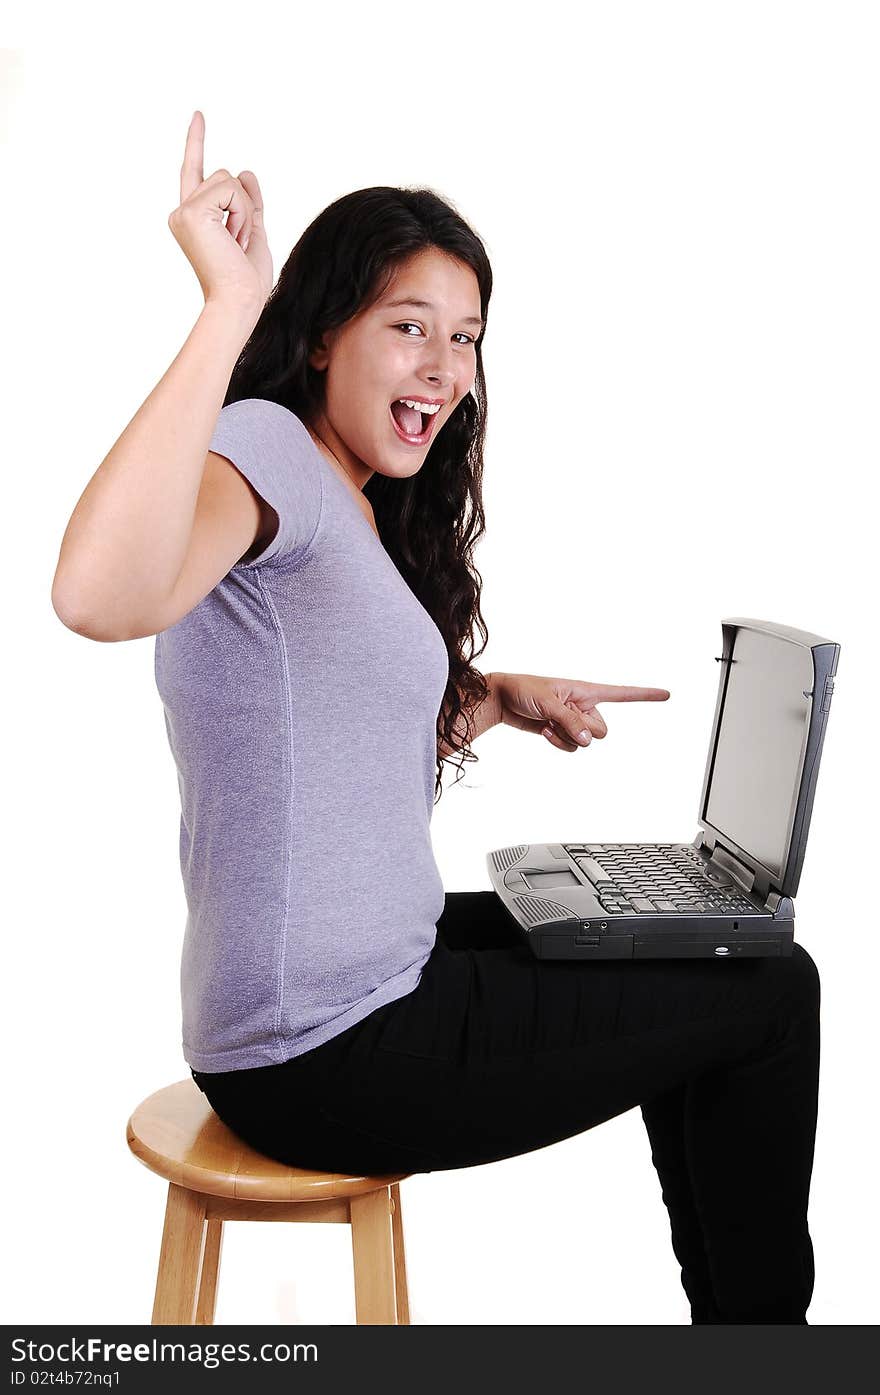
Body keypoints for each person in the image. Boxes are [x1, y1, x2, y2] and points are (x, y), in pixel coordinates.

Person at [51, 111, 820, 1325]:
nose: (443, 369)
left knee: (705, 951)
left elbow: (321, 730)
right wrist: (224, 307)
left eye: (463, 339)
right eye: (407, 328)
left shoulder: (341, 499)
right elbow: (98, 596)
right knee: (771, 995)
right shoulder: (259, 451)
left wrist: (488, 701)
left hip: (346, 992)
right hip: (325, 1049)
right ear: (317, 337)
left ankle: (731, 1336)